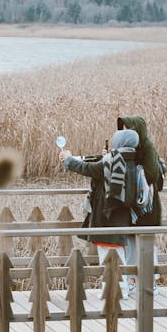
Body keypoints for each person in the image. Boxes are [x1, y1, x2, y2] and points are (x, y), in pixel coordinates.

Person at [59, 128, 140, 299]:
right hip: (123, 214)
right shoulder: (132, 159)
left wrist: (69, 160)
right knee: (118, 252)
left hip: (108, 214)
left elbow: (89, 168)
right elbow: (99, 165)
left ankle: (115, 291)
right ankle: (120, 289)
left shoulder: (113, 160)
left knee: (110, 254)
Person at [117, 115, 164, 290]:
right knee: (129, 243)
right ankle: (130, 281)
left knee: (146, 243)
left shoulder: (147, 147)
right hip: (130, 205)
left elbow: (152, 174)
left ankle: (150, 282)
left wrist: (134, 168)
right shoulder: (125, 149)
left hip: (146, 205)